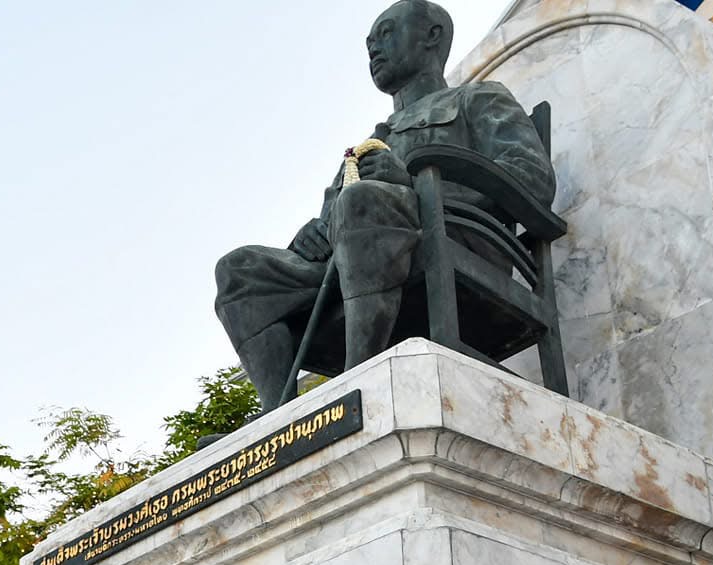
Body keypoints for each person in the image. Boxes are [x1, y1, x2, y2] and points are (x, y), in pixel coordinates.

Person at [213, 0, 555, 405]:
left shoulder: (477, 99)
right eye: (369, 42)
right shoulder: (369, 141)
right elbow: (333, 220)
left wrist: (413, 185)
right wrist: (312, 235)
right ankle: (277, 414)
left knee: (363, 202)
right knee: (240, 269)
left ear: (433, 36)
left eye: (387, 33)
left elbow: (533, 179)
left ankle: (359, 381)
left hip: (460, 245)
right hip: (352, 265)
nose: (374, 49)